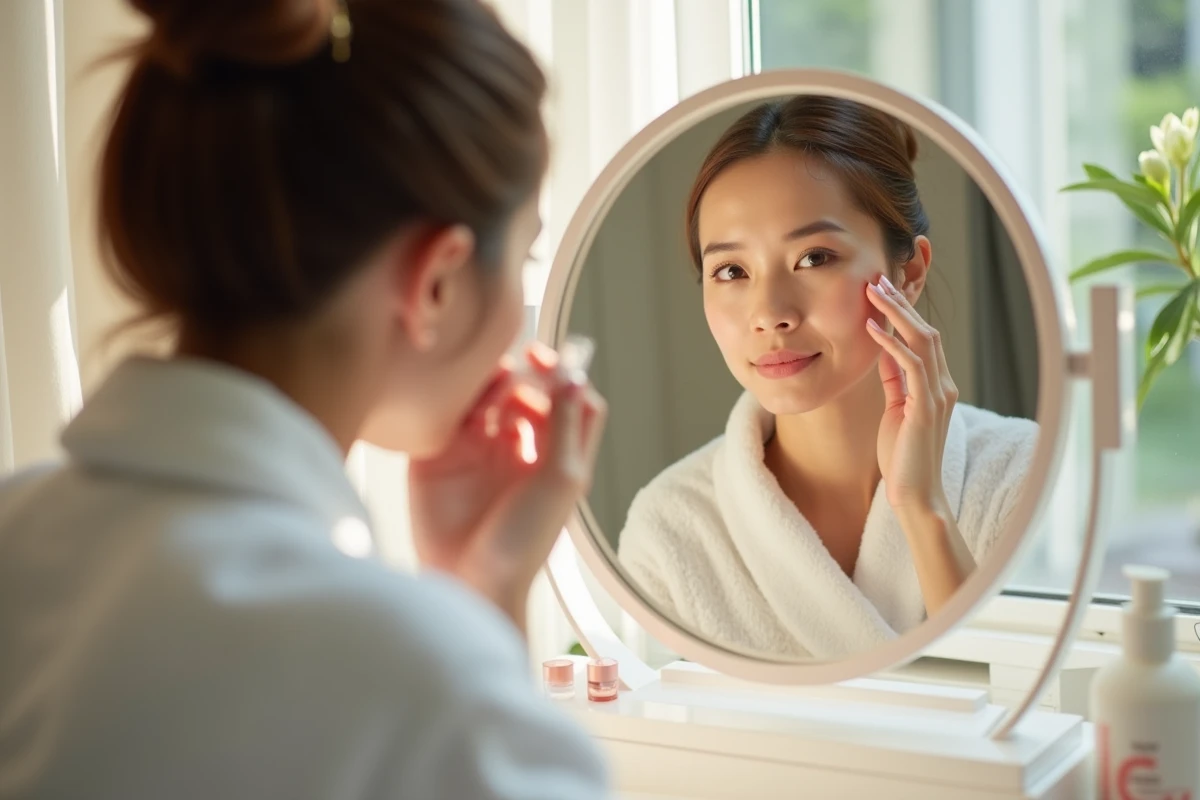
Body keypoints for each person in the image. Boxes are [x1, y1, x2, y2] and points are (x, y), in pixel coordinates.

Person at [0, 1, 609, 797]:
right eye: (524, 254)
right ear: (435, 281)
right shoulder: (419, 687)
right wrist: (480, 614)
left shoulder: (18, 533)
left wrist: (478, 586)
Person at [617, 96, 1037, 660]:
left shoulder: (1020, 476)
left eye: (814, 257)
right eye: (731, 270)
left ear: (907, 271)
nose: (769, 312)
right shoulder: (670, 530)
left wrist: (922, 507)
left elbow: (1020, 706)